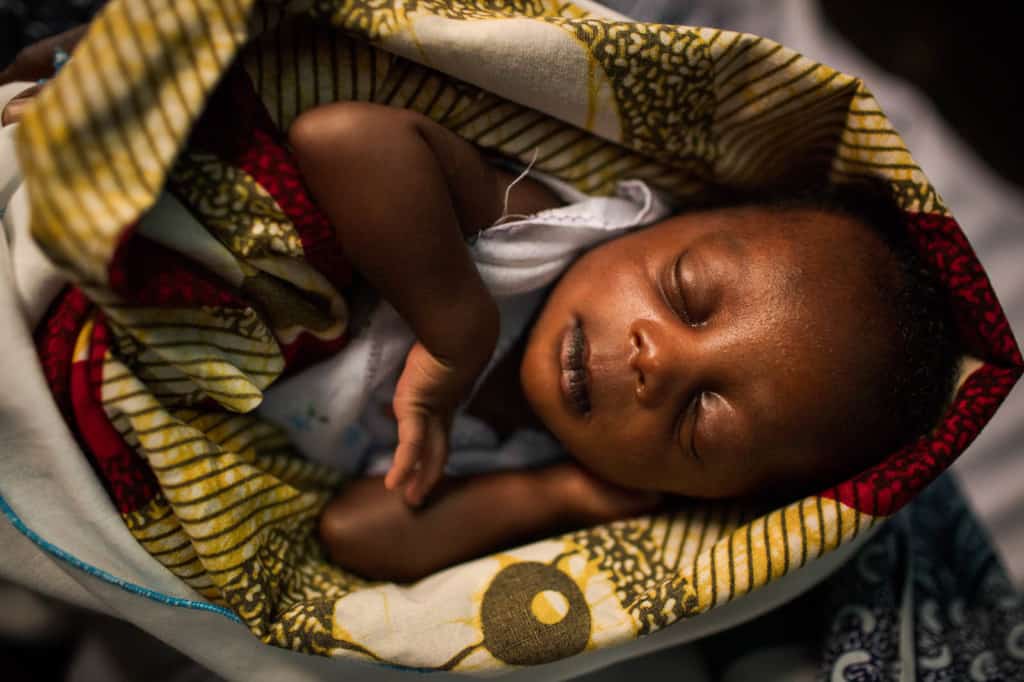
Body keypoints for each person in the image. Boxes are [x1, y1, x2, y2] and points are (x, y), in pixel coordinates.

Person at [284, 101, 960, 581]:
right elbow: (341, 137)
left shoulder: (535, 461)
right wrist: (456, 327)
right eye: (685, 292)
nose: (659, 359)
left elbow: (353, 534)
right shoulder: (536, 239)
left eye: (701, 426)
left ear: (698, 499)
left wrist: (552, 496)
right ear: (657, 223)